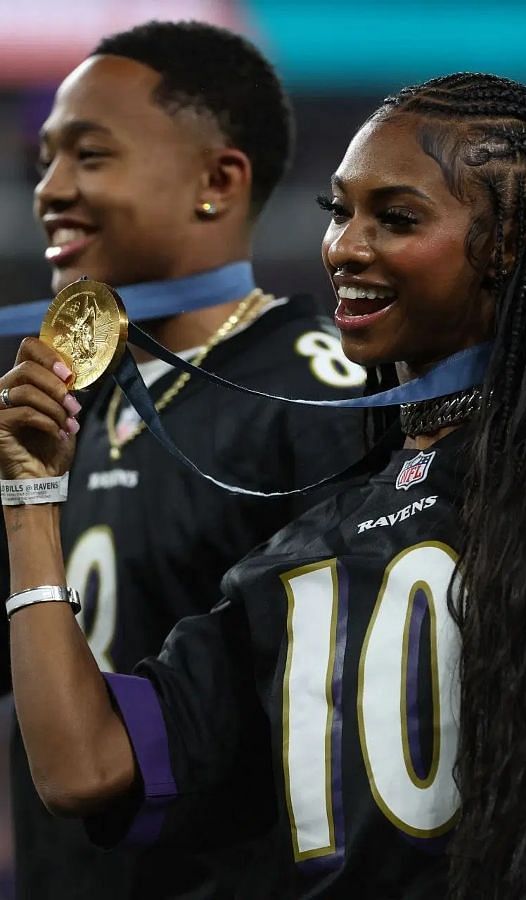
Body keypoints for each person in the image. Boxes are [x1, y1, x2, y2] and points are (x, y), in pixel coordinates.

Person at [1, 71, 526, 898]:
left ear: (507, 243)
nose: (345, 247)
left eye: (395, 218)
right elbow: (84, 767)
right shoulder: (310, 546)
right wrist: (30, 501)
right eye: (338, 211)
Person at [0, 20, 368, 899]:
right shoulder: (58, 400)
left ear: (217, 181)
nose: (50, 188)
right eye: (46, 158)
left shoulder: (314, 396)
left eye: (89, 156)